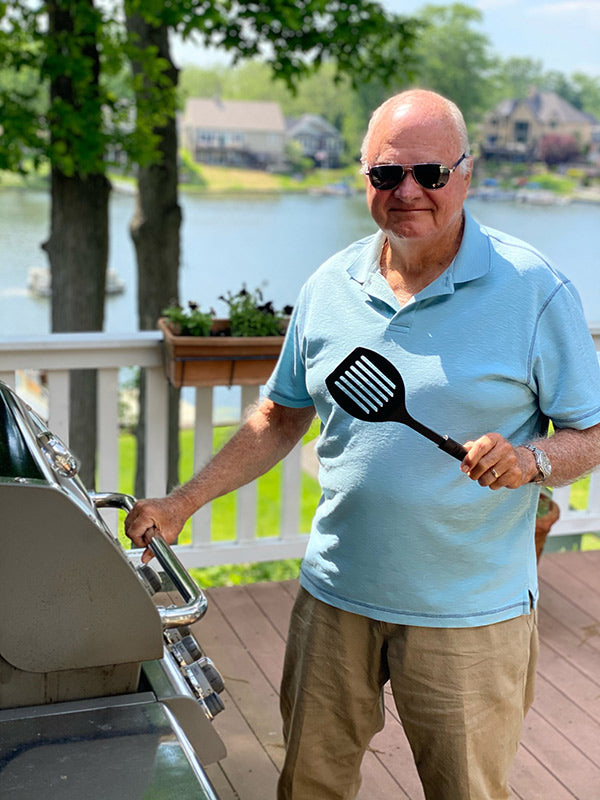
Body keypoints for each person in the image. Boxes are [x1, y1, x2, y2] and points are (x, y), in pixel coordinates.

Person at [125, 89, 600, 800]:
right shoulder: (329, 286)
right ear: (365, 179)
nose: (408, 192)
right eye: (387, 174)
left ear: (465, 175)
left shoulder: (533, 289)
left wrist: (532, 461)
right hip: (335, 599)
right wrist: (185, 501)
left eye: (430, 174)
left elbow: (590, 433)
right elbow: (281, 416)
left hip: (469, 616)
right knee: (309, 785)